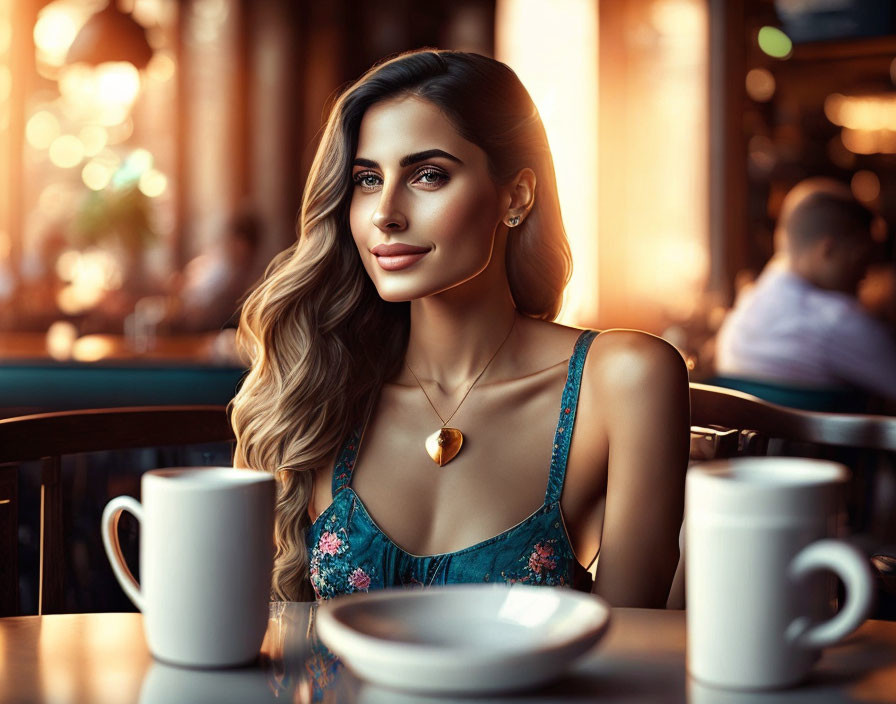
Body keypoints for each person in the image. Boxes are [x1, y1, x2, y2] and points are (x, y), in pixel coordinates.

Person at [231, 50, 689, 607]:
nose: (386, 213)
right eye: (368, 179)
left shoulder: (623, 380)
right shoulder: (318, 387)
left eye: (428, 175)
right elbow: (240, 628)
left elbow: (628, 646)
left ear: (516, 195)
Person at [716, 177, 896, 404]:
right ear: (828, 251)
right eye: (861, 258)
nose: (866, 273)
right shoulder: (837, 321)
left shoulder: (743, 310)